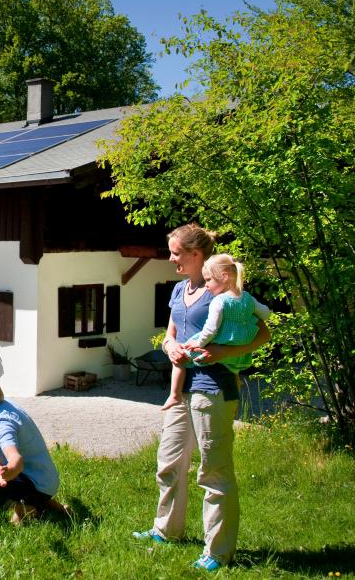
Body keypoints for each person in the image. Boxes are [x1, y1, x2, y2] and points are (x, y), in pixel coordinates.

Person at [133, 224, 270, 571]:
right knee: (169, 462)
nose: (171, 258)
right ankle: (166, 530)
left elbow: (263, 333)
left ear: (196, 255)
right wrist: (169, 347)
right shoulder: (180, 289)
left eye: (176, 253)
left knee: (214, 470)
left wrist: (221, 353)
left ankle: (217, 552)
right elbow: (171, 332)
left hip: (214, 387)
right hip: (183, 387)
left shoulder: (224, 290)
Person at [0, 366, 68, 524]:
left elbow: (15, 459)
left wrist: (8, 472)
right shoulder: (1, 404)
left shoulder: (1, 422)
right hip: (45, 480)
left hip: (36, 483)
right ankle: (43, 505)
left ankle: (21, 504)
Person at [162, 253, 272, 411]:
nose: (206, 285)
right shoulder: (247, 298)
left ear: (224, 276)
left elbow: (211, 329)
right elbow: (266, 313)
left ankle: (174, 394)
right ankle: (234, 390)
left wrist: (198, 343)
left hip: (219, 341)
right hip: (239, 342)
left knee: (182, 356)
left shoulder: (219, 301)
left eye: (208, 280)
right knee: (232, 368)